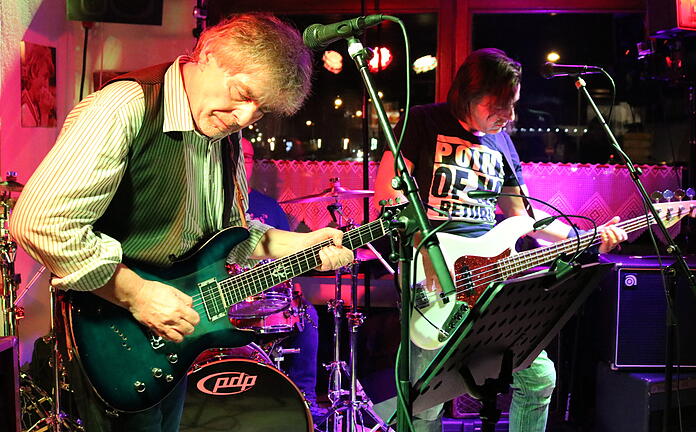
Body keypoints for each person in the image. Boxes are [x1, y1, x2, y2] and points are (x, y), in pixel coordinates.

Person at [10, 13, 352, 432]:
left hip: (171, 339)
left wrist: (305, 245)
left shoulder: (224, 133)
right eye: (242, 93)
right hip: (112, 335)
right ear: (207, 54)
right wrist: (135, 293)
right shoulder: (124, 106)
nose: (244, 117)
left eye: (259, 111)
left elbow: (230, 234)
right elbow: (39, 221)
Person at [372, 48, 627, 432]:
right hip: (434, 280)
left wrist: (587, 235)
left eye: (513, 105)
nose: (508, 116)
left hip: (491, 285)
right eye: (499, 105)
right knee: (425, 401)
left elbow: (523, 216)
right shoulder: (422, 122)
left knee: (539, 378)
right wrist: (427, 253)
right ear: (468, 94)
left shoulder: (502, 143)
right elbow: (387, 200)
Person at [241, 137, 326, 422]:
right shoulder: (214, 202)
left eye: (250, 157)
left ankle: (305, 401)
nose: (244, 161)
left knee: (308, 315)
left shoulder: (267, 206)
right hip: (226, 298)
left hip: (264, 296)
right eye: (238, 155)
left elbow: (284, 261)